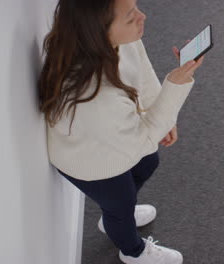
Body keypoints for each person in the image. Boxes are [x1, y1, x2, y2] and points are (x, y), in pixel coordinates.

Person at [37, 0, 205, 263]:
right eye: (130, 17)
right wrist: (176, 84)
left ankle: (117, 213)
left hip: (110, 141)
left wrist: (157, 106)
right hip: (90, 163)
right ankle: (132, 251)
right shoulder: (93, 100)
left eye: (136, 7)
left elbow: (142, 69)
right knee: (121, 205)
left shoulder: (110, 41)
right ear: (99, 31)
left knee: (149, 162)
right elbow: (144, 139)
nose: (143, 16)